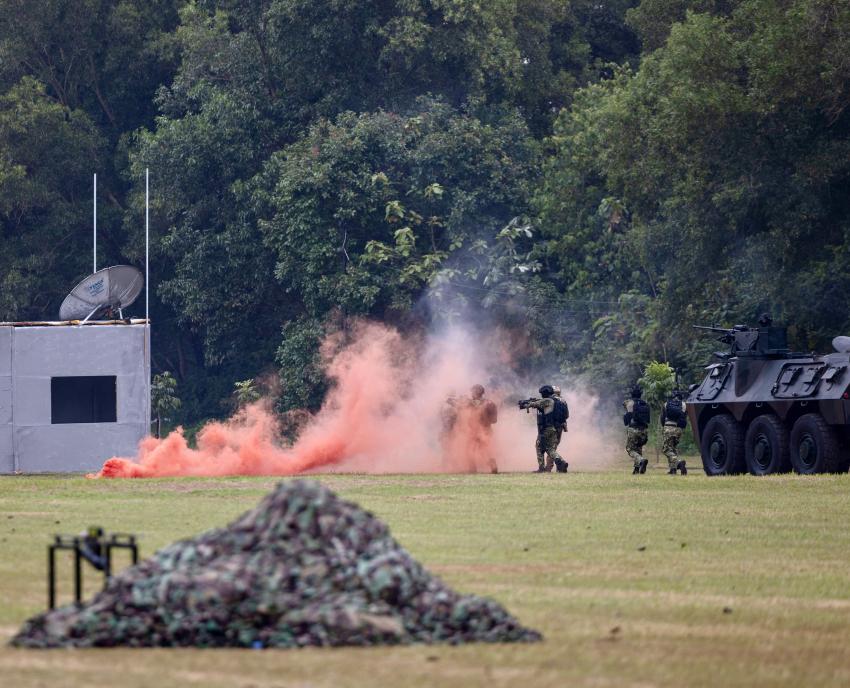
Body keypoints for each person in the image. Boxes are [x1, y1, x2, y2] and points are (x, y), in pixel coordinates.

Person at [522, 385, 568, 473]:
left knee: (539, 446)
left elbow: (534, 404)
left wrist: (527, 404)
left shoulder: (548, 400)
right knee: (551, 448)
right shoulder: (561, 401)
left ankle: (541, 468)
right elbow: (566, 415)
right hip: (555, 428)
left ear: (544, 393)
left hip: (546, 428)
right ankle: (561, 463)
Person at [464, 384, 499, 474]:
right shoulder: (490, 403)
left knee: (470, 449)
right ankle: (493, 466)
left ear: (476, 392)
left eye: (472, 392)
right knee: (486, 450)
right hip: (486, 430)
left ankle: (472, 469)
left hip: (476, 431)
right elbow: (494, 420)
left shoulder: (470, 403)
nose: (471, 394)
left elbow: (461, 408)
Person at [623, 385, 650, 474]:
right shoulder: (645, 404)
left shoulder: (630, 403)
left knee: (630, 449)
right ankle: (637, 469)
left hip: (634, 429)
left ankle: (641, 460)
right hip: (644, 430)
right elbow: (648, 420)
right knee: (638, 448)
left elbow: (626, 421)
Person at [661, 391, 688, 475]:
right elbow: (684, 417)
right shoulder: (684, 405)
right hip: (678, 429)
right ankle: (673, 470)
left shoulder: (666, 404)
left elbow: (662, 418)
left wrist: (664, 427)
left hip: (668, 427)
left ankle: (678, 463)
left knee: (666, 449)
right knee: (673, 448)